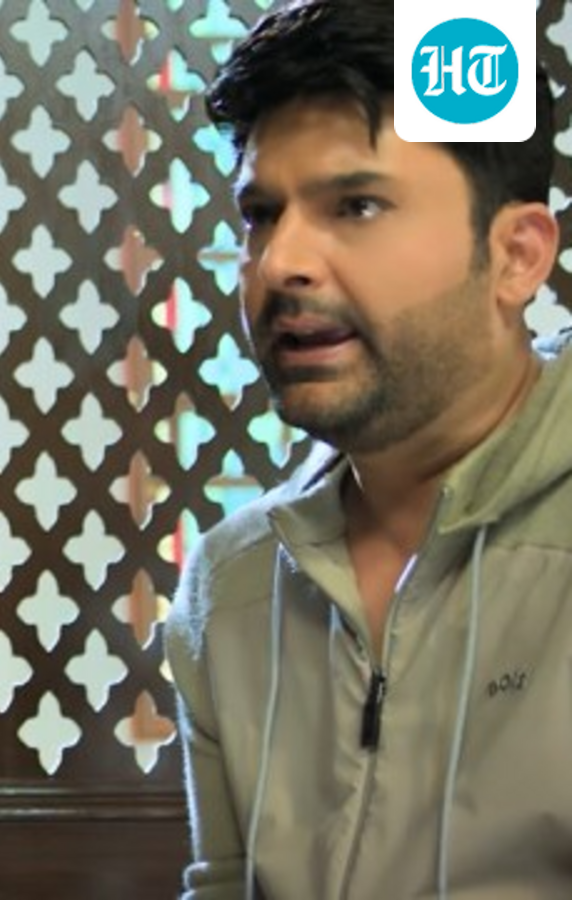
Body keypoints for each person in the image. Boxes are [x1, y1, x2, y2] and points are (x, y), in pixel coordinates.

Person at [164, 1, 569, 897]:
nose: (282, 264)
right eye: (261, 214)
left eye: (357, 206)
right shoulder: (230, 588)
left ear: (517, 255)